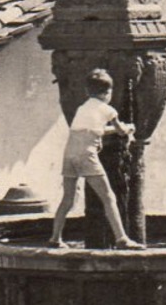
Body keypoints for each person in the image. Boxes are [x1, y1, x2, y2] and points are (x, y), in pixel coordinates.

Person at [49, 69, 142, 250]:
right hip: (86, 155)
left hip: (69, 154)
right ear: (108, 93)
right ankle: (122, 238)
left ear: (87, 91)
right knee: (108, 197)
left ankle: (55, 238)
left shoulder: (82, 108)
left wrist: (115, 129)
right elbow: (121, 131)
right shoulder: (109, 110)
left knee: (67, 198)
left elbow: (94, 129)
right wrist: (129, 128)